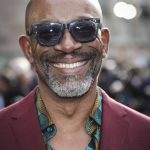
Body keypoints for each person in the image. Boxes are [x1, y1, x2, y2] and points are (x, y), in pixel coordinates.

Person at [0, 0, 150, 149]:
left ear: (104, 43)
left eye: (84, 29)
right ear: (28, 49)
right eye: (48, 32)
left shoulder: (144, 134)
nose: (68, 46)